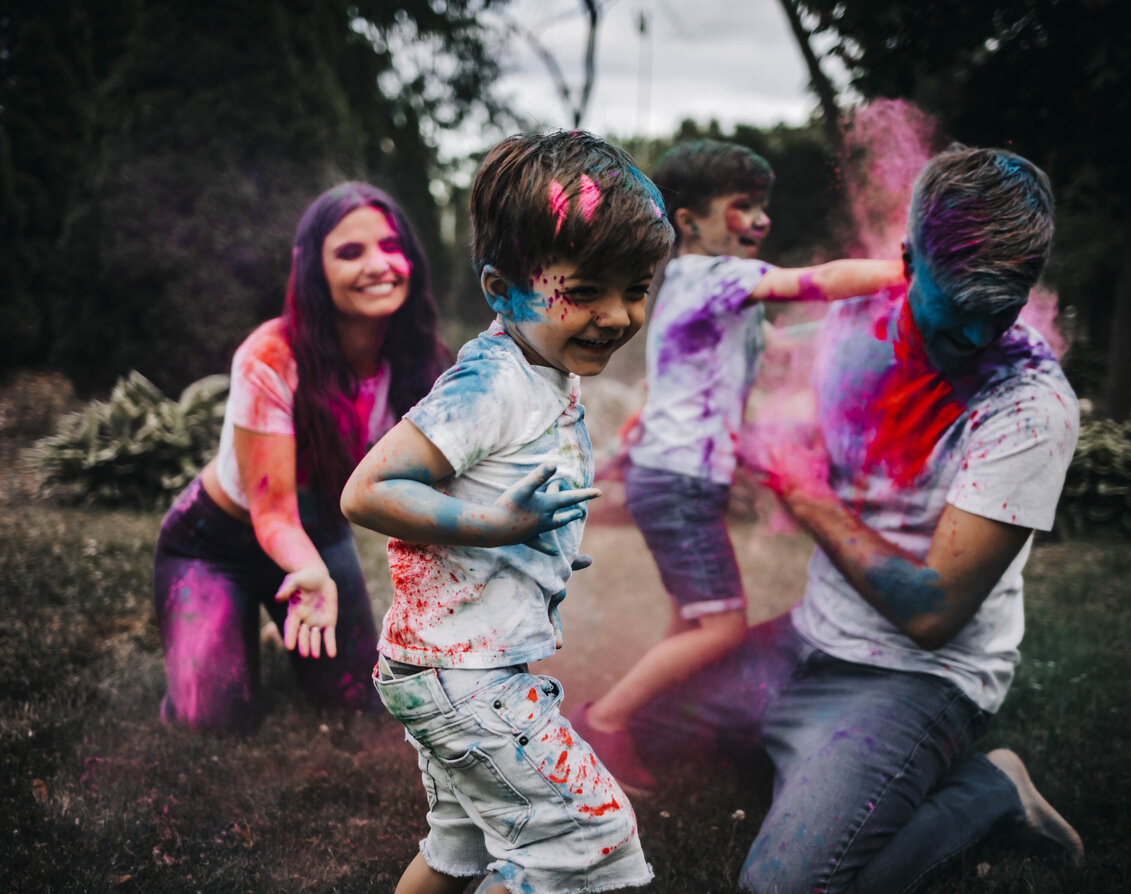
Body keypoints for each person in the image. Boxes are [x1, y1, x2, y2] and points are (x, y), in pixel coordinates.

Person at [628, 145, 1084, 893]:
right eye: (952, 316)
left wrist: (802, 491)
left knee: (785, 887)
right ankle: (805, 758)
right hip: (805, 640)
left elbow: (933, 612)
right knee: (638, 723)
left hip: (913, 675)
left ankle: (989, 790)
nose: (972, 340)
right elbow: (756, 356)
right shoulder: (857, 322)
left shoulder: (1031, 404)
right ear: (908, 260)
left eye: (995, 316)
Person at [340, 131, 674, 894]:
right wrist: (504, 529)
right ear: (500, 287)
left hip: (444, 665)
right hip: (466, 678)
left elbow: (497, 486)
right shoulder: (491, 384)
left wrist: (536, 538)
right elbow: (367, 492)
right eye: (586, 291)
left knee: (458, 844)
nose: (618, 316)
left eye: (636, 288)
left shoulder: (544, 366)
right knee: (588, 842)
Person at [571, 139, 905, 793]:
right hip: (677, 482)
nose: (759, 220)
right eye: (742, 206)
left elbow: (782, 345)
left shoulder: (721, 296)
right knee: (720, 626)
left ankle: (665, 723)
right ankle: (602, 723)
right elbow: (815, 282)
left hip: (678, 480)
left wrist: (868, 324)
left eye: (762, 207)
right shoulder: (709, 277)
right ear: (690, 222)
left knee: (692, 621)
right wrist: (907, 272)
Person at [153, 182, 447, 733]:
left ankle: (273, 620)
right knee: (213, 719)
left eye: (389, 246)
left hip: (320, 533)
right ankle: (228, 616)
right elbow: (272, 512)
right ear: (314, 269)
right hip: (216, 543)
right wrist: (309, 571)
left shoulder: (418, 362)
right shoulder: (270, 356)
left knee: (355, 697)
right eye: (350, 252)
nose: (378, 265)